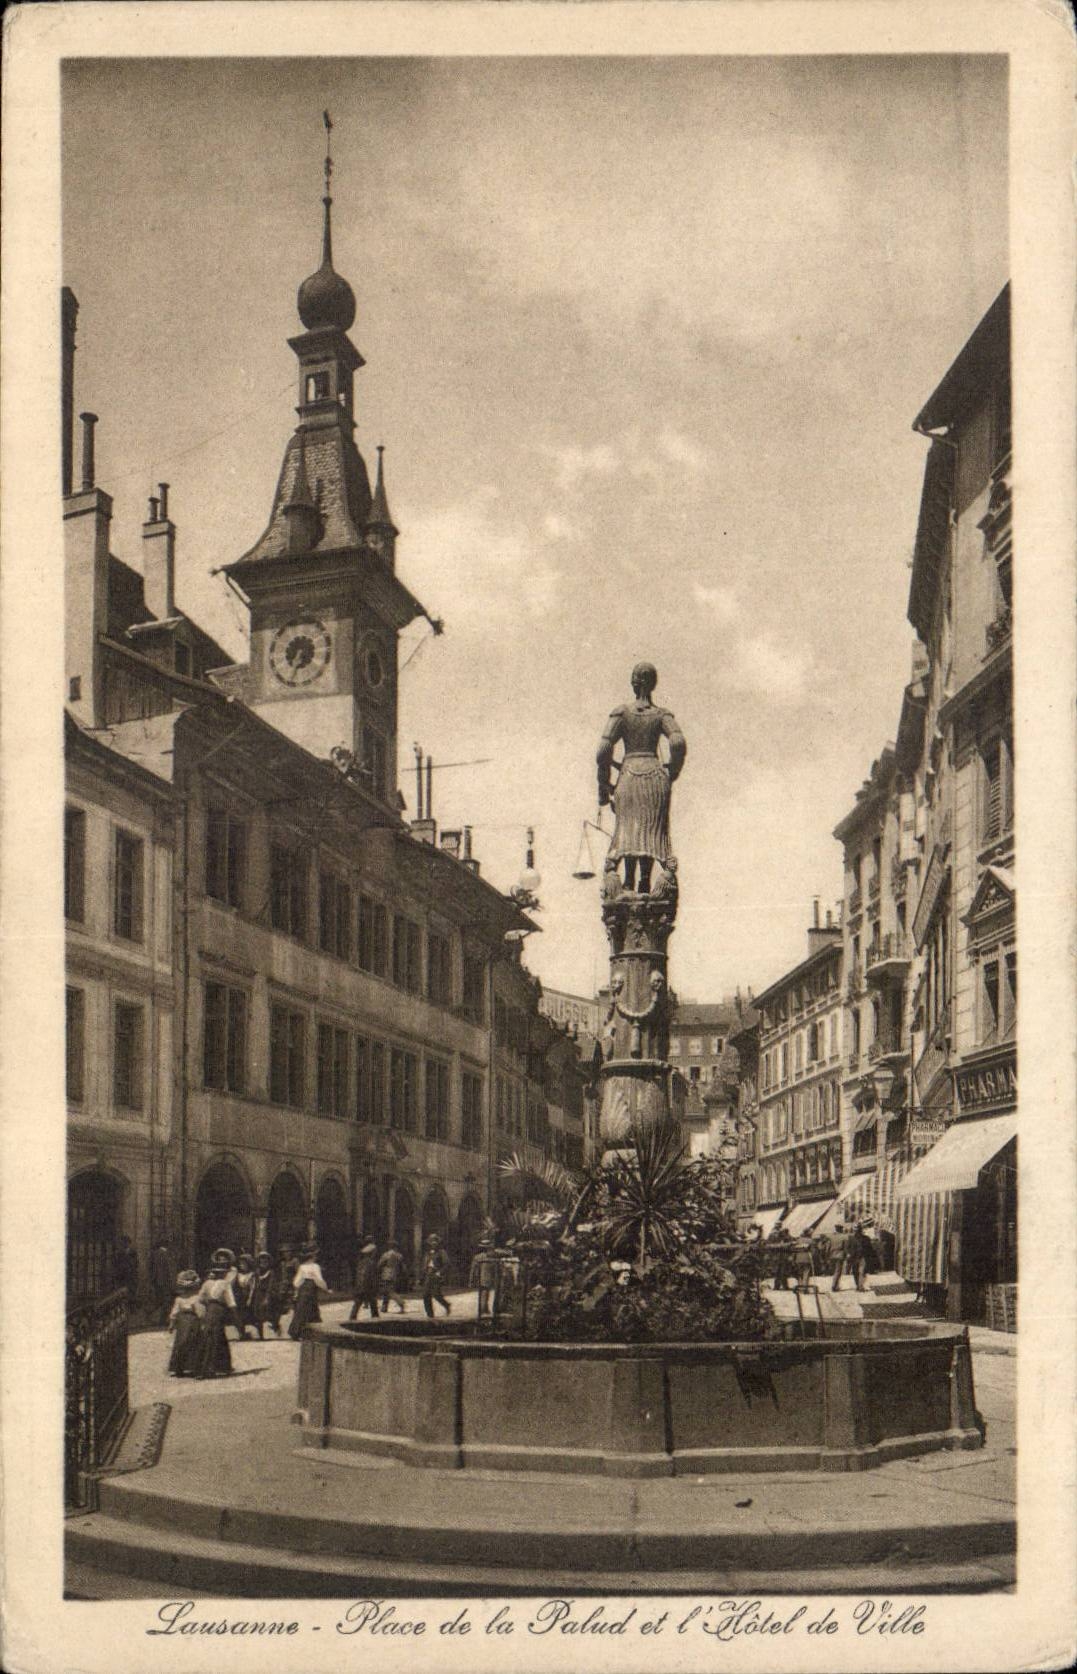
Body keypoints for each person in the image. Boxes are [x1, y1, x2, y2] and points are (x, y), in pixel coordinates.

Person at [596, 663, 687, 896]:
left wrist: (603, 786)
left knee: (629, 830)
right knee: (651, 830)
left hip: (629, 776)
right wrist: (671, 773)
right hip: (655, 778)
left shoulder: (622, 713)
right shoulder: (662, 715)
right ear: (653, 684)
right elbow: (677, 743)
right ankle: (645, 881)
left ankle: (628, 882)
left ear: (633, 683)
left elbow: (604, 750)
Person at [192, 1250, 240, 1378]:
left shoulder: (207, 1283)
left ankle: (208, 1367)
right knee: (216, 1336)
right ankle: (211, 1368)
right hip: (219, 1310)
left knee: (210, 1335)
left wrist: (204, 1308)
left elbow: (200, 1299)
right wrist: (237, 1320)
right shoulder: (225, 1284)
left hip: (209, 1310)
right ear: (224, 1273)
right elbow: (231, 1303)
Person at [167, 1271, 204, 1376]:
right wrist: (172, 1323)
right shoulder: (179, 1299)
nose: (187, 1291)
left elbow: (200, 1311)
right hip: (183, 1321)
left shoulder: (197, 1297)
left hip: (193, 1320)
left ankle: (193, 1366)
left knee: (194, 1342)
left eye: (190, 1288)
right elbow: (174, 1312)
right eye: (185, 1289)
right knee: (181, 1343)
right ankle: (179, 1367)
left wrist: (202, 1320)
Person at [288, 1243, 329, 1339]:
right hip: (311, 1289)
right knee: (312, 1310)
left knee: (301, 1311)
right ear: (312, 1256)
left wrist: (297, 1290)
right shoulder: (315, 1267)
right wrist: (326, 1288)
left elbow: (296, 1282)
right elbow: (319, 1280)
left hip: (303, 1289)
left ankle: (296, 1332)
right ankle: (315, 1332)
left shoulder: (302, 1267)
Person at [247, 1251, 282, 1338]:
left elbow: (270, 1285)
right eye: (261, 1261)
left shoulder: (271, 1272)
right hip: (257, 1295)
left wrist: (267, 1298)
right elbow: (254, 1285)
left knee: (269, 1313)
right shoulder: (257, 1272)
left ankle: (276, 1326)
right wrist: (250, 1297)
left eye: (265, 1261)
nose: (263, 1263)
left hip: (268, 1294)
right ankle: (260, 1334)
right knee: (257, 1314)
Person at [421, 1234, 451, 1318]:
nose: (433, 1243)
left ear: (438, 1243)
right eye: (431, 1242)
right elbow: (425, 1265)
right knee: (425, 1295)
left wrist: (439, 1273)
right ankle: (430, 1315)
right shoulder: (428, 1253)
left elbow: (447, 1264)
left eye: (435, 1241)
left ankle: (446, 1305)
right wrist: (423, 1274)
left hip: (436, 1275)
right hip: (428, 1275)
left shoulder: (442, 1252)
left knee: (436, 1294)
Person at [469, 1236, 499, 1318]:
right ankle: (483, 1309)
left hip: (479, 1276)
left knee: (483, 1293)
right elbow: (495, 1268)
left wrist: (471, 1280)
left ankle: (484, 1309)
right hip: (488, 1277)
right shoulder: (492, 1257)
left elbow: (473, 1269)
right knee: (485, 1293)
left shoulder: (477, 1257)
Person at [349, 1242, 380, 1321]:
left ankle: (352, 1318)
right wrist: (375, 1287)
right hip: (368, 1287)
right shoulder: (371, 1263)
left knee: (358, 1303)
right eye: (374, 1252)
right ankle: (376, 1319)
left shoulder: (361, 1262)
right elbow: (372, 1277)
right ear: (371, 1253)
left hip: (360, 1287)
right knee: (373, 1304)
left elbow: (358, 1275)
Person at [149, 1241, 177, 1327]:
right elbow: (170, 1270)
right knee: (166, 1300)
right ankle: (161, 1319)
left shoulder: (155, 1254)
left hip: (158, 1281)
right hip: (166, 1281)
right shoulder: (166, 1254)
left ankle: (157, 1318)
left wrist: (152, 1280)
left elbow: (152, 1269)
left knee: (160, 1300)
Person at [377, 1240, 408, 1314]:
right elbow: (403, 1267)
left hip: (386, 1274)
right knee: (387, 1290)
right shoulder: (399, 1255)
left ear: (390, 1246)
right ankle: (384, 1307)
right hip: (395, 1274)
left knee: (389, 1291)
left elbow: (380, 1264)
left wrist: (378, 1270)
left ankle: (401, 1302)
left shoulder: (386, 1254)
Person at [232, 1252, 257, 1337]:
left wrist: (250, 1298)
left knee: (247, 1313)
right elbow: (234, 1286)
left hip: (248, 1296)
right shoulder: (238, 1275)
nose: (241, 1265)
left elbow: (252, 1288)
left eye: (244, 1264)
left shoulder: (251, 1275)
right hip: (239, 1296)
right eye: (240, 1264)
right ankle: (241, 1332)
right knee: (238, 1313)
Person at [112, 1236, 140, 1310]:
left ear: (129, 1243)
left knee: (132, 1291)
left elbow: (136, 1263)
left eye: (126, 1242)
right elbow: (116, 1264)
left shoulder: (133, 1252)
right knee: (122, 1293)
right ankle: (124, 1308)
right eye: (124, 1243)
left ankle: (132, 1307)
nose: (125, 1244)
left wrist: (131, 1267)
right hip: (123, 1276)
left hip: (131, 1276)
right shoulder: (119, 1253)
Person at [847, 1222, 870, 1292]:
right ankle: (858, 1285)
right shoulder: (851, 1238)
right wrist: (849, 1255)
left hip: (862, 1257)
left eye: (857, 1229)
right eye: (855, 1229)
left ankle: (860, 1286)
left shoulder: (866, 1238)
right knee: (855, 1272)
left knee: (861, 1272)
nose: (856, 1231)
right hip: (854, 1257)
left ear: (860, 1229)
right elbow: (848, 1248)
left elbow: (869, 1248)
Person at [830, 1223, 850, 1292]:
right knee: (838, 1271)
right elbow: (846, 1247)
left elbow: (828, 1246)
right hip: (840, 1255)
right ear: (841, 1229)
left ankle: (836, 1285)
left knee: (835, 1271)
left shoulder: (831, 1236)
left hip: (832, 1255)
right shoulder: (844, 1236)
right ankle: (834, 1286)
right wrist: (847, 1254)